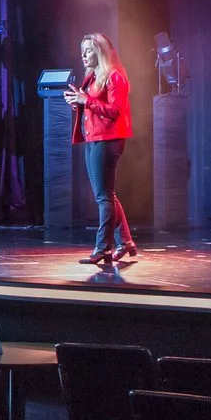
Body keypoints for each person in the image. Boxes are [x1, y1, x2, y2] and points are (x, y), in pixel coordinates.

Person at [63, 31, 137, 268]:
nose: (83, 55)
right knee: (106, 194)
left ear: (99, 52)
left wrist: (86, 101)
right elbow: (92, 106)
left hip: (108, 139)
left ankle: (103, 247)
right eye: (82, 50)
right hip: (94, 138)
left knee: (104, 196)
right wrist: (79, 101)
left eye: (87, 51)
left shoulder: (114, 77)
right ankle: (125, 242)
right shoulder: (93, 77)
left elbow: (115, 111)